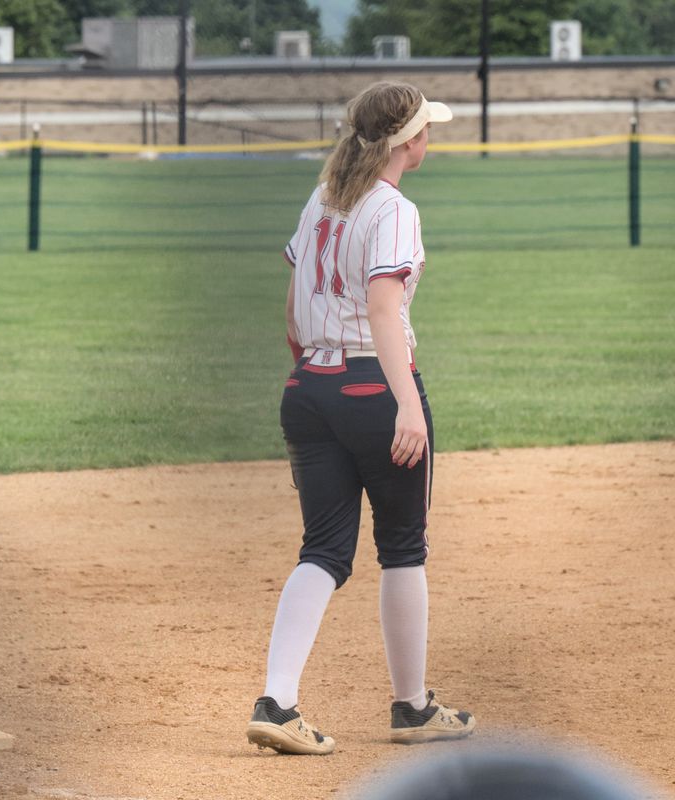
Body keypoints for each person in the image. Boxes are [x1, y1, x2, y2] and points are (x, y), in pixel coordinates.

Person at [245, 82, 475, 755]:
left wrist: (309, 374)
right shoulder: (393, 208)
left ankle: (276, 702)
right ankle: (412, 708)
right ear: (408, 142)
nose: (430, 137)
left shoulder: (323, 197)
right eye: (425, 128)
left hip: (308, 387)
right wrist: (405, 403)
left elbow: (294, 303)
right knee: (402, 547)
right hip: (375, 385)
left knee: (322, 550)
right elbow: (382, 308)